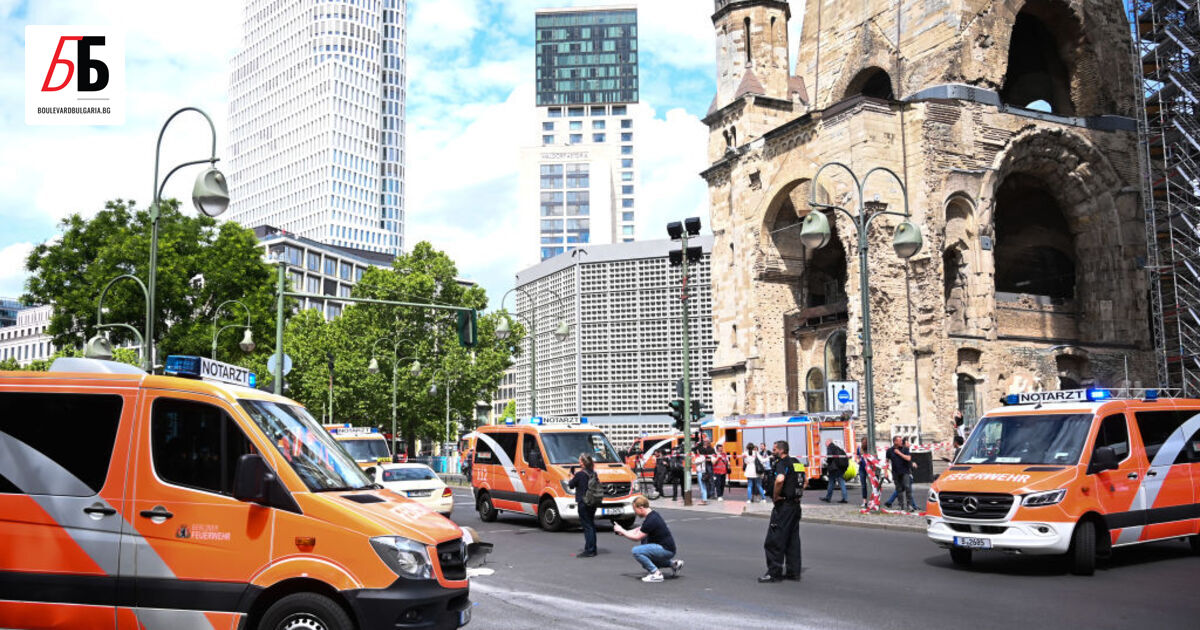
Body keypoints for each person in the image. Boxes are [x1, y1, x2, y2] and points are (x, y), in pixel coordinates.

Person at [761, 440, 804, 583]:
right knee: (792, 540)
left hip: (784, 506)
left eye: (774, 450)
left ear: (781, 450)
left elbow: (779, 480)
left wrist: (775, 496)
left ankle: (774, 573)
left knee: (774, 540)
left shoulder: (781, 463)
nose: (773, 452)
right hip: (795, 506)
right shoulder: (796, 462)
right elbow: (805, 481)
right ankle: (793, 572)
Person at [614, 496, 683, 582]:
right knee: (646, 561)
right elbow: (639, 529)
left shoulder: (651, 520)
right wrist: (624, 531)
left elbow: (637, 537)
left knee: (637, 551)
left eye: (635, 509)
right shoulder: (652, 515)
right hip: (668, 548)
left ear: (641, 508)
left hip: (665, 549)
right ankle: (674, 564)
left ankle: (656, 574)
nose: (635, 513)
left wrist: (622, 531)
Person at [568, 454, 598, 557]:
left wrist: (571, 477)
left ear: (583, 463)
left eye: (580, 461)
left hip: (583, 502)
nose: (579, 462)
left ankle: (589, 550)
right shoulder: (593, 473)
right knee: (591, 525)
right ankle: (592, 548)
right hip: (592, 501)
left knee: (587, 526)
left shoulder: (580, 474)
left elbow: (571, 485)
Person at [884, 437, 917, 511]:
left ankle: (909, 505)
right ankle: (901, 505)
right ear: (895, 442)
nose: (901, 442)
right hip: (896, 472)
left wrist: (899, 453)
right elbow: (887, 461)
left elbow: (908, 458)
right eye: (900, 441)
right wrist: (885, 472)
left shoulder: (905, 449)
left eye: (901, 440)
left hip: (905, 472)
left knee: (907, 487)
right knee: (899, 489)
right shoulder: (889, 450)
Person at [820, 439, 849, 503]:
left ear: (829, 442)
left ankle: (828, 498)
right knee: (841, 482)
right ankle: (845, 498)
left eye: (826, 442)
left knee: (831, 482)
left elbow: (829, 457)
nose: (825, 444)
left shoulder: (830, 447)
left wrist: (827, 462)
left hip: (834, 469)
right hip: (840, 468)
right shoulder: (837, 448)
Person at [695, 434, 716, 504]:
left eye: (706, 441)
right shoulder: (700, 448)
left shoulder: (711, 448)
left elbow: (714, 456)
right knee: (704, 480)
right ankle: (707, 494)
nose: (705, 442)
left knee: (710, 479)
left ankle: (712, 494)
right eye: (704, 441)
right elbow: (697, 451)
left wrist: (710, 459)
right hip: (702, 465)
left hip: (708, 465)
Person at [855, 437, 873, 508]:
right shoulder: (859, 449)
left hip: (869, 468)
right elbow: (857, 457)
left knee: (871, 484)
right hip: (862, 468)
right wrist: (858, 461)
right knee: (863, 485)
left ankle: (871, 500)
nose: (864, 444)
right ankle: (864, 501)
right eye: (863, 443)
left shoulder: (870, 449)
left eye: (865, 443)